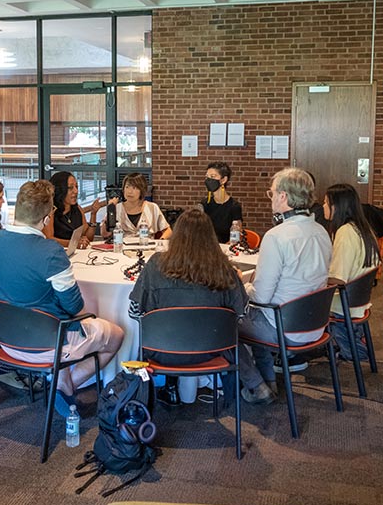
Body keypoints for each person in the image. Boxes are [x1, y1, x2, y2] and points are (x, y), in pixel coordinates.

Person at [0, 179, 124, 417]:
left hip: (3, 339)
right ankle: (66, 384)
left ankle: (61, 380)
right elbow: (75, 307)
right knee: (116, 335)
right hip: (46, 345)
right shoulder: (51, 253)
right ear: (47, 217)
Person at [128, 207, 246, 404]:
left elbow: (134, 312)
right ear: (210, 237)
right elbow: (240, 317)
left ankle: (164, 389)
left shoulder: (156, 264)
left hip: (161, 350)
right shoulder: (225, 270)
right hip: (212, 350)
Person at [238, 167, 332, 404]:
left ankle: (256, 385)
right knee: (254, 315)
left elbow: (260, 296)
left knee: (222, 320)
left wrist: (241, 286)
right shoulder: (322, 231)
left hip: (282, 327)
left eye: (271, 194)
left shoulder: (276, 236)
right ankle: (268, 382)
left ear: (284, 197)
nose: (270, 199)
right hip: (315, 324)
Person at [323, 183, 380, 362]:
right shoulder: (364, 228)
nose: (322, 206)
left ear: (336, 207)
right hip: (359, 301)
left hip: (343, 304)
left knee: (297, 298)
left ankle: (295, 353)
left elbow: (337, 278)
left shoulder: (345, 233)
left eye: (325, 203)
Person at [101, 172, 171, 240]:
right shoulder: (117, 208)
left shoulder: (152, 207)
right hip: (122, 247)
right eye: (127, 187)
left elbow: (168, 230)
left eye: (134, 188)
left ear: (142, 190)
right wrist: (110, 210)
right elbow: (105, 234)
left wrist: (161, 240)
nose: (129, 191)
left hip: (147, 246)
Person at [49, 171, 107, 250]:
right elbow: (49, 239)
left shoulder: (77, 209)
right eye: (70, 188)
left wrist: (93, 214)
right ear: (59, 190)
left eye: (77, 187)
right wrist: (73, 243)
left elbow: (89, 238)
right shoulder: (50, 211)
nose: (76, 191)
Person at [200, 162, 243, 244]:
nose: (208, 180)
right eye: (206, 177)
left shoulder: (234, 207)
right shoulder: (204, 204)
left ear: (223, 180)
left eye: (212, 176)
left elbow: (236, 236)